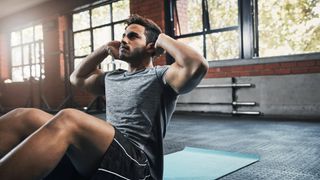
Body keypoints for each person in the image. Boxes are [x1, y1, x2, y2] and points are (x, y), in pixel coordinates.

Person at [0, 14, 208, 180]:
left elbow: (197, 65)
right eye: (124, 36)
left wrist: (160, 38)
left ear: (150, 46)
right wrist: (104, 49)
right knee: (24, 116)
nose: (124, 40)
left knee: (69, 119)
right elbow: (77, 77)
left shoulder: (162, 76)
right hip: (105, 156)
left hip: (138, 167)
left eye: (133, 36)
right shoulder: (113, 77)